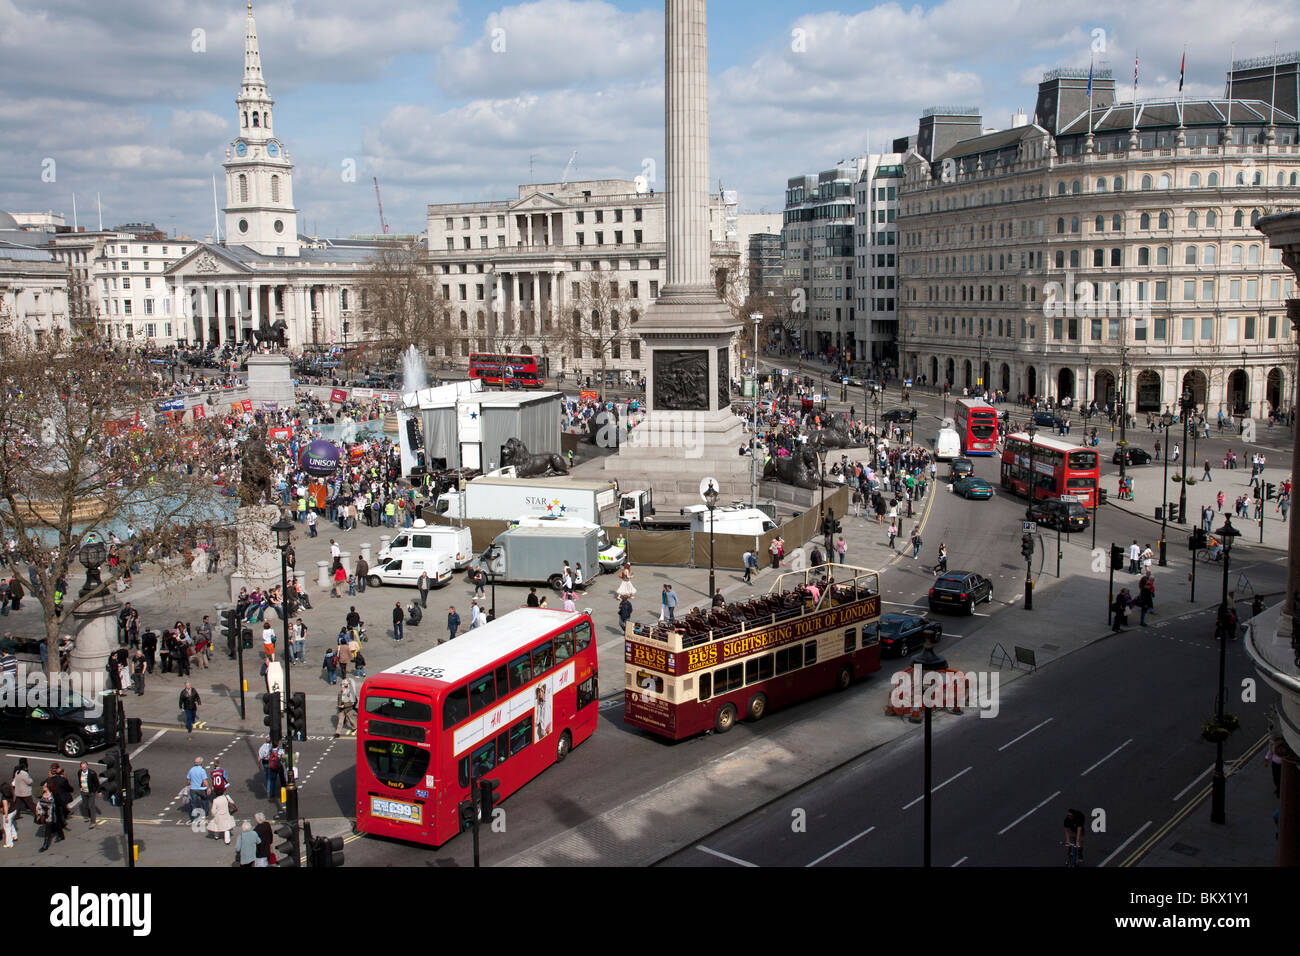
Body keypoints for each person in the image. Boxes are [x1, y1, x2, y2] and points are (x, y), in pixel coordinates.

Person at [37, 782, 66, 852]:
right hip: (46, 815)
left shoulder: (53, 795)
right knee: (51, 828)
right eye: (43, 786)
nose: (43, 787)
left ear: (49, 787)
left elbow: (61, 803)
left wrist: (65, 811)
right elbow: (38, 800)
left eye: (45, 786)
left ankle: (47, 844)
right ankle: (47, 844)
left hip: (53, 814)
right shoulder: (41, 794)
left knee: (54, 827)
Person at [77, 761, 100, 826]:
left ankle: (93, 822)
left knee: (91, 806)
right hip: (83, 791)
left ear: (87, 766)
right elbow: (79, 780)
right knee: (85, 804)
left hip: (91, 792)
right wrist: (80, 787)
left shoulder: (92, 773)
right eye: (82, 767)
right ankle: (87, 816)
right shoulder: (79, 772)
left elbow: (96, 783)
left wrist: (99, 791)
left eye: (85, 767)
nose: (84, 768)